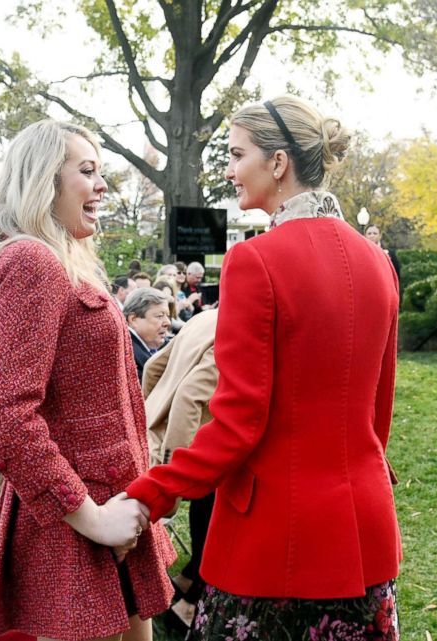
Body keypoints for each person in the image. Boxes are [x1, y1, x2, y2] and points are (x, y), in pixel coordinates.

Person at [126, 95, 402, 641]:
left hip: (274, 540)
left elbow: (237, 423)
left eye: (236, 155)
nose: (228, 170)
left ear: (278, 163)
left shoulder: (255, 261)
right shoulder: (379, 263)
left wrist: (150, 492)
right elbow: (379, 415)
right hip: (364, 528)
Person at [0, 119, 174, 641]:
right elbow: (7, 418)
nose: (102, 186)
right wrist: (94, 518)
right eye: (88, 171)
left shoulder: (58, 259)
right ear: (43, 179)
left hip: (109, 511)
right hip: (76, 524)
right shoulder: (31, 260)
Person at [141, 308, 219, 632]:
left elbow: (152, 366)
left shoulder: (204, 318)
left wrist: (149, 411)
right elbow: (189, 397)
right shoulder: (237, 328)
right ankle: (190, 600)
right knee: (217, 506)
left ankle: (188, 580)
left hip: (152, 431)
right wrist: (174, 469)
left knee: (210, 500)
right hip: (181, 446)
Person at [123, 287, 172, 381]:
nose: (168, 323)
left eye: (167, 316)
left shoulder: (165, 345)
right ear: (133, 319)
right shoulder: (127, 356)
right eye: (160, 316)